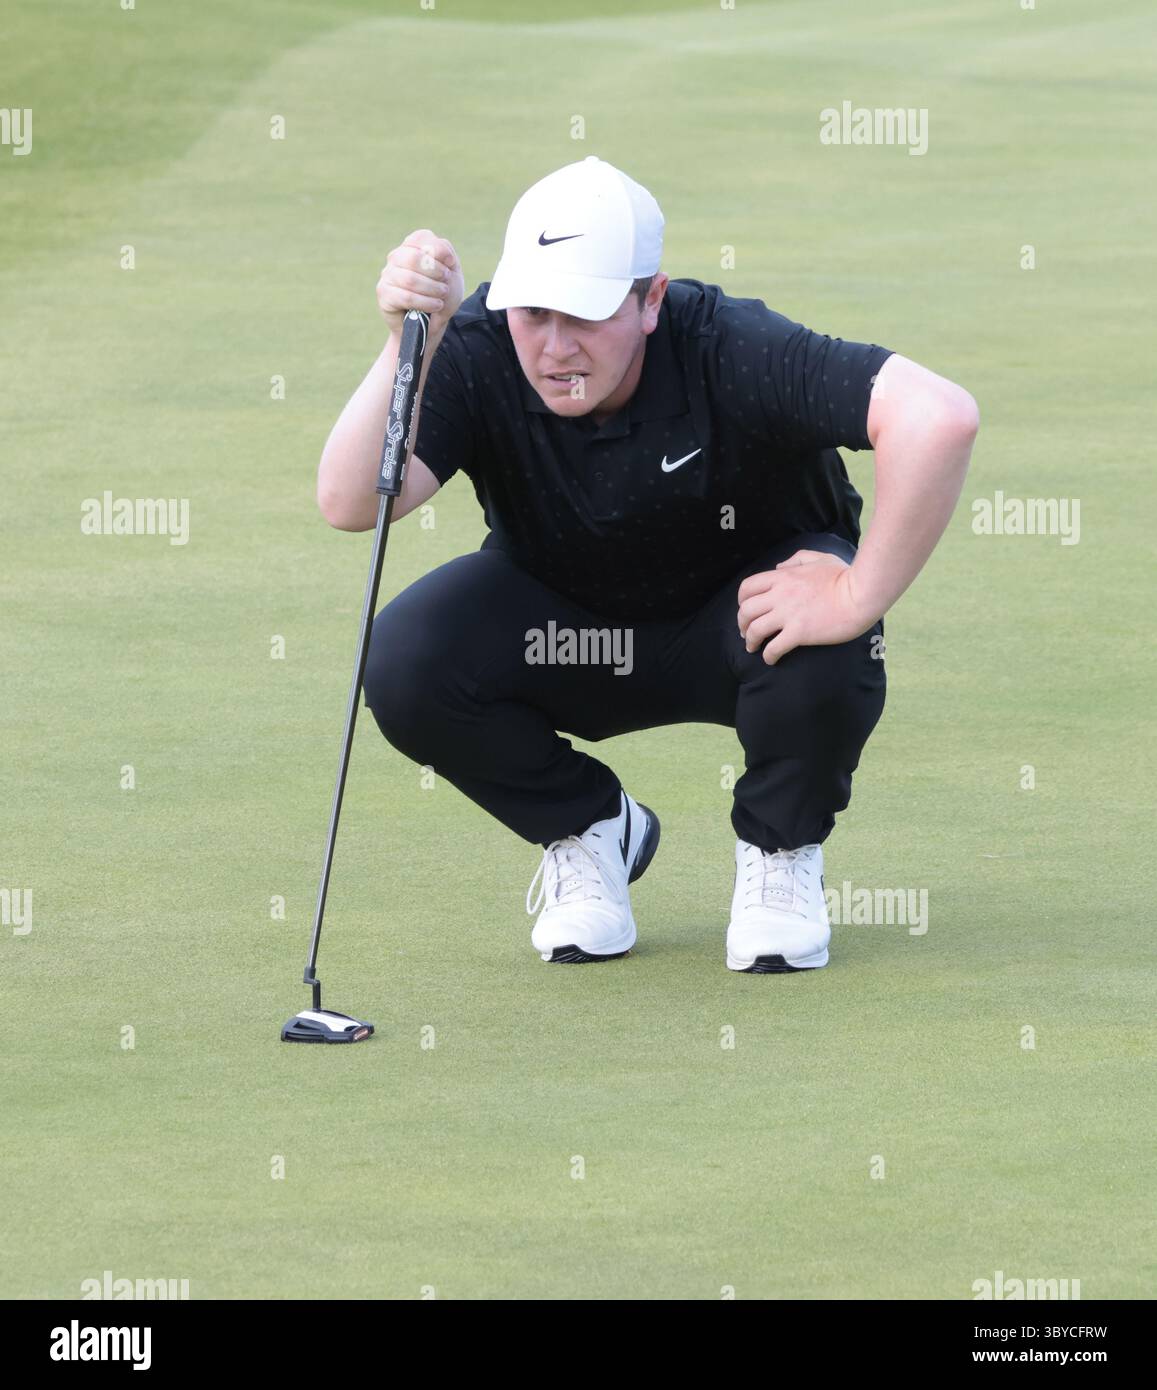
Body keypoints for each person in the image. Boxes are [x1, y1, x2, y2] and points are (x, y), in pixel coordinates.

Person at [317, 156, 978, 974]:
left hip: (741, 630)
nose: (555, 347)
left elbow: (937, 416)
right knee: (406, 658)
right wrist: (408, 343)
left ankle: (779, 855)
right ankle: (589, 829)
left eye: (586, 316)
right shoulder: (484, 346)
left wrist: (854, 594)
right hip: (568, 632)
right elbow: (352, 502)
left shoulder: (730, 345)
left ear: (651, 299)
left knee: (828, 638)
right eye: (532, 313)